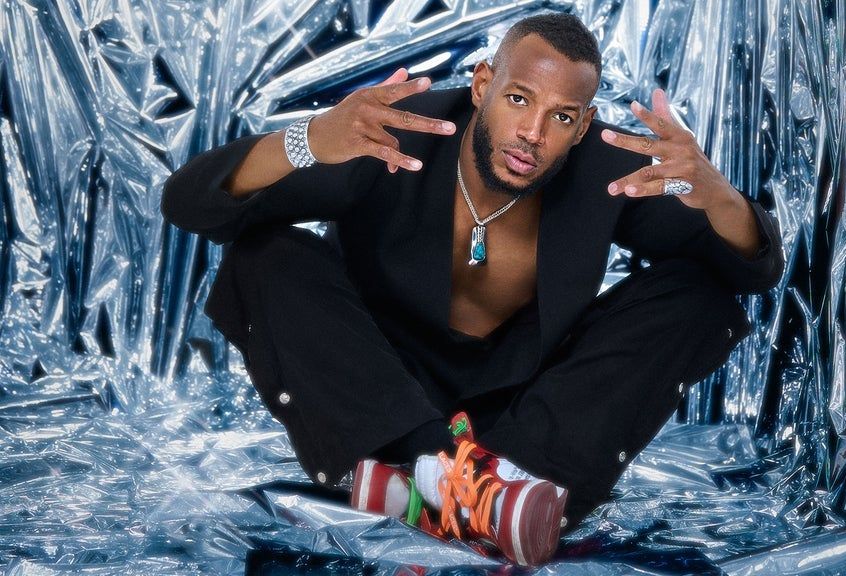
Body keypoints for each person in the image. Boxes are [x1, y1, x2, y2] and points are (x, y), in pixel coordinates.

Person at [161, 13, 784, 566]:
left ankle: (450, 492)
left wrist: (718, 196)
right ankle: (452, 485)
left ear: (583, 125)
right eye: (518, 98)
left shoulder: (605, 170)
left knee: (699, 296)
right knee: (265, 252)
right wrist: (308, 140)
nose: (533, 133)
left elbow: (751, 272)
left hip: (524, 427)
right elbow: (189, 205)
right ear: (483, 85)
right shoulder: (395, 136)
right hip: (385, 401)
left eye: (561, 117)